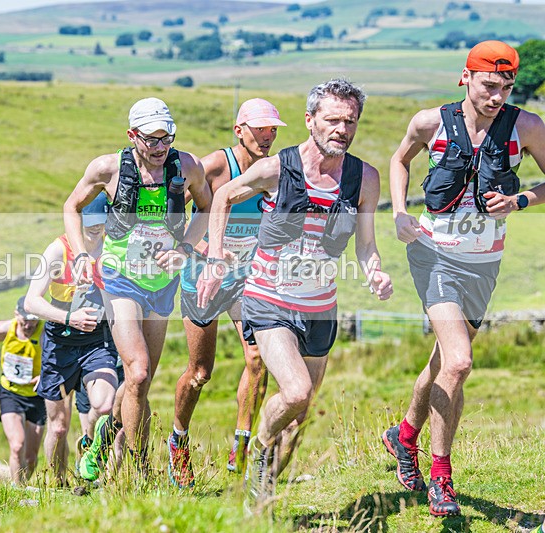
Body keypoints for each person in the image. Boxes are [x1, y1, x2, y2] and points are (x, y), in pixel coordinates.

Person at [197, 78, 393, 508]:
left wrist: (375, 271)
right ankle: (257, 450)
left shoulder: (364, 179)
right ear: (309, 120)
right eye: (333, 120)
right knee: (297, 391)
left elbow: (365, 244)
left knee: (298, 420)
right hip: (269, 300)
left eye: (350, 121)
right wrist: (214, 257)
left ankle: (259, 497)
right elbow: (224, 195)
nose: (342, 129)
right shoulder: (277, 169)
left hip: (320, 309)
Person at [382, 40, 545, 517]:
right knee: (458, 362)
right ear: (466, 77)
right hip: (433, 254)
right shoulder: (429, 122)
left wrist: (520, 201)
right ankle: (442, 478)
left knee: (443, 361)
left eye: (506, 88)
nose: (497, 97)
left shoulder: (527, 127)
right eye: (489, 86)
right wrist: (398, 212)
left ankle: (403, 435)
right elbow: (399, 160)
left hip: (484, 263)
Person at [63, 97, 212, 475]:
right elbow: (71, 207)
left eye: (167, 138)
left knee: (138, 384)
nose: (160, 147)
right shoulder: (108, 168)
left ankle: (103, 436)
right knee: (139, 371)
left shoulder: (187, 166)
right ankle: (140, 470)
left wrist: (184, 248)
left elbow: (207, 208)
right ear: (132, 135)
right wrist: (81, 255)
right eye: (151, 139)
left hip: (162, 285)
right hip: (120, 279)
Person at [169, 98, 285, 487]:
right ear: (239, 130)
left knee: (258, 358)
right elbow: (174, 213)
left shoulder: (273, 170)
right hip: (202, 278)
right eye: (259, 129)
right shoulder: (216, 166)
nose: (267, 137)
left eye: (272, 130)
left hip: (245, 279)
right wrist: (196, 246)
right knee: (200, 372)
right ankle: (178, 440)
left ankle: (243, 444)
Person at [25, 195, 121, 485]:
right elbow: (31, 302)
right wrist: (69, 317)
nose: (95, 230)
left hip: (97, 340)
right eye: (89, 224)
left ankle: (92, 449)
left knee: (104, 405)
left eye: (101, 224)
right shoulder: (59, 249)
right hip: (60, 342)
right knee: (58, 427)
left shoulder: (112, 248)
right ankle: (59, 484)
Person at [0, 296, 47, 485]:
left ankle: (22, 484)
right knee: (17, 445)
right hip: (10, 392)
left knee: (31, 458)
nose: (29, 325)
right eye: (25, 319)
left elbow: (59, 356)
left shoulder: (45, 333)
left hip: (36, 395)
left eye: (33, 320)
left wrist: (44, 375)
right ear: (16, 314)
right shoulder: (4, 328)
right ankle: (16, 489)